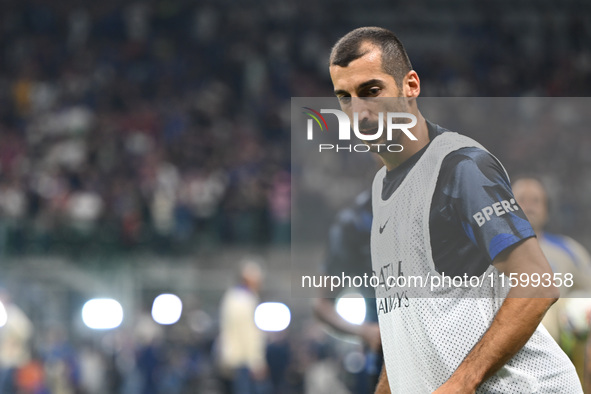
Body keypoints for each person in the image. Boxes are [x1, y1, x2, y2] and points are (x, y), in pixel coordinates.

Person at [327, 26, 582, 393]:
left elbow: (539, 283)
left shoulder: (460, 167)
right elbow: (406, 330)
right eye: (345, 97)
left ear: (411, 86)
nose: (360, 111)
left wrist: (461, 383)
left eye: (371, 90)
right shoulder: (381, 187)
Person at [513, 177, 591, 383]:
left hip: (561, 348)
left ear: (546, 210)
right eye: (522, 199)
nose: (529, 206)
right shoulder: (487, 254)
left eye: (536, 200)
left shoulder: (568, 251)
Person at [313, 190, 382, 392]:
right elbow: (321, 304)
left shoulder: (444, 195)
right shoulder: (355, 221)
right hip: (385, 361)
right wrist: (365, 331)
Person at [217, 260, 268, 394]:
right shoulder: (243, 300)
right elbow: (247, 334)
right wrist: (256, 362)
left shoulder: (232, 297)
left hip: (234, 360)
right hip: (243, 362)